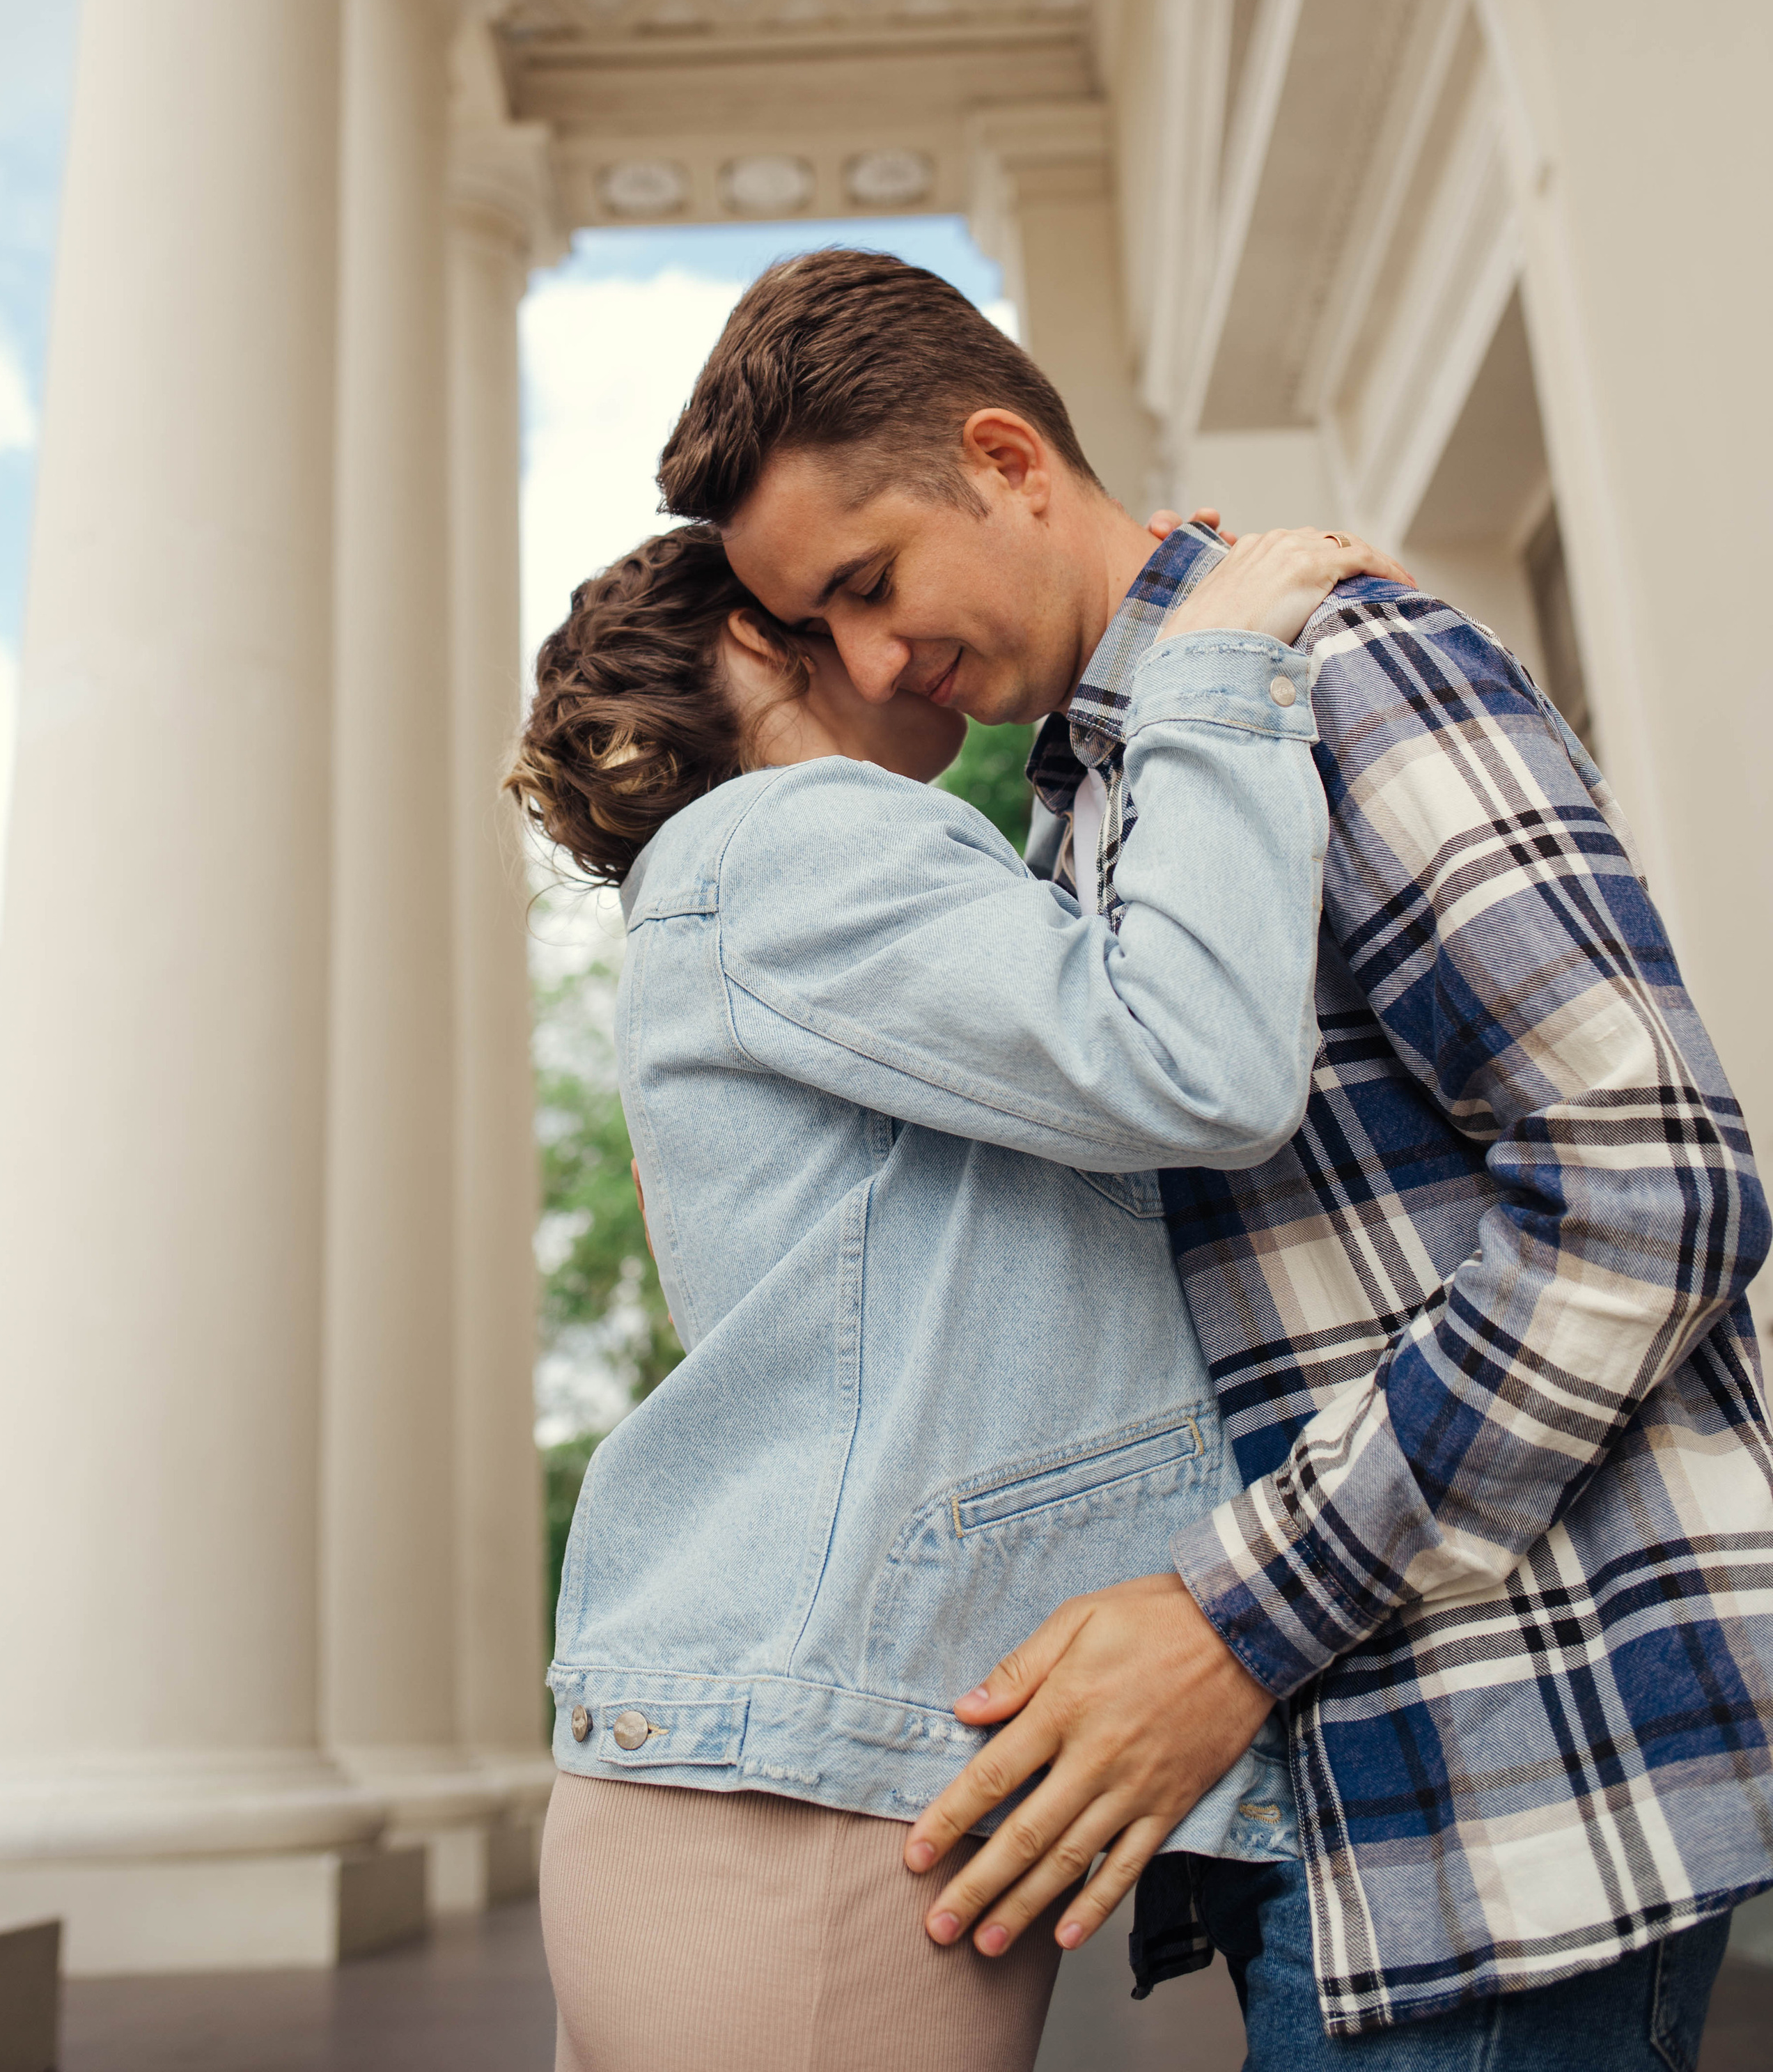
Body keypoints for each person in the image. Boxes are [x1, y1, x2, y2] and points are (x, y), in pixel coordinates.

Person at [658, 249, 1773, 2066]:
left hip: (1513, 1790)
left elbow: (1654, 1181)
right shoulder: (1101, 801)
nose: (875, 665)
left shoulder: (1346, 665)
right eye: (823, 633)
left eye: (870, 584)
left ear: (1010, 459)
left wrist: (1233, 1622)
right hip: (1350, 1817)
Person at [510, 513, 1396, 2072]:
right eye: (835, 606)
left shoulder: (731, 904)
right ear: (744, 646)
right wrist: (1210, 670)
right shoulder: (799, 836)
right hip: (795, 1815)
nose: (891, 642)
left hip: (751, 1793)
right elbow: (1189, 1062)